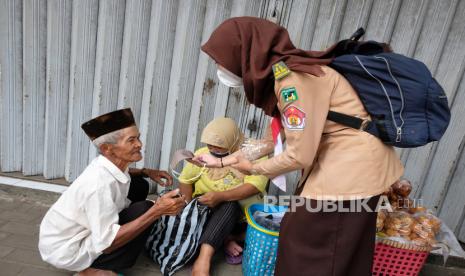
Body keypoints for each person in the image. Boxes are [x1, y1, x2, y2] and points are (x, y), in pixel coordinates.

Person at [194, 17, 404, 275]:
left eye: (222, 59)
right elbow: (278, 140)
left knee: (308, 245)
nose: (219, 66)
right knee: (341, 249)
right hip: (352, 168)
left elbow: (299, 155)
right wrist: (223, 161)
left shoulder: (292, 80)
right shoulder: (286, 73)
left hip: (351, 174)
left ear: (245, 53)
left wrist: (255, 170)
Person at [38, 108, 186, 275]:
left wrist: (146, 172)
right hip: (68, 250)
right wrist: (156, 211)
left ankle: (125, 234)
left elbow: (123, 173)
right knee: (145, 210)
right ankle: (94, 270)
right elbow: (107, 244)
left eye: (138, 137)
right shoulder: (98, 186)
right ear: (107, 149)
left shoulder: (106, 164)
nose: (139, 144)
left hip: (71, 235)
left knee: (139, 184)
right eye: (131, 140)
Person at [177, 117, 268, 276]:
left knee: (231, 207)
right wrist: (187, 207)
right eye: (209, 144)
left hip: (242, 216)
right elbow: (185, 180)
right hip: (210, 211)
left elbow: (255, 186)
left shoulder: (255, 154)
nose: (213, 148)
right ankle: (213, 251)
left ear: (232, 140)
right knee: (205, 216)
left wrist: (221, 196)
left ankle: (224, 241)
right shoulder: (202, 155)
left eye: (219, 145)